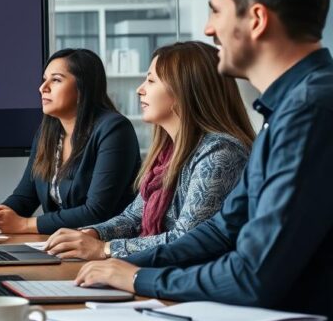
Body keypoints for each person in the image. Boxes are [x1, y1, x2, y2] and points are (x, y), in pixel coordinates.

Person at [75, 0, 333, 321]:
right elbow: (224, 228)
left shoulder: (310, 111)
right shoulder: (288, 109)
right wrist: (127, 267)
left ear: (255, 20)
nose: (208, 27)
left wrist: (138, 279)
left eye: (215, 11)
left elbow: (254, 275)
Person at [45, 42, 253, 261]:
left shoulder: (220, 152)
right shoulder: (168, 153)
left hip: (189, 283)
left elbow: (187, 239)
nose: (140, 89)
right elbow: (134, 217)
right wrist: (92, 233)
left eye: (151, 80)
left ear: (184, 89)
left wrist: (104, 249)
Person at [0, 48, 141, 235]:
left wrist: (24, 225)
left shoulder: (114, 130)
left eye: (56, 80)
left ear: (83, 88)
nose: (43, 88)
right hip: (61, 245)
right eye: (44, 79)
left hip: (104, 247)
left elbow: (97, 212)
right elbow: (25, 197)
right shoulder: (47, 132)